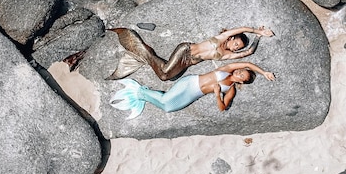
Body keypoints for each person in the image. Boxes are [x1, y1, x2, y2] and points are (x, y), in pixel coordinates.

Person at [109, 61, 275, 119]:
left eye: (242, 76)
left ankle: (143, 95)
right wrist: (263, 72)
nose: (239, 73)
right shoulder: (227, 69)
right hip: (190, 83)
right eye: (241, 71)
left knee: (168, 107)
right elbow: (247, 64)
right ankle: (140, 92)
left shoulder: (230, 90)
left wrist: (218, 95)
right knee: (166, 99)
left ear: (242, 82)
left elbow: (222, 108)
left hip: (194, 94)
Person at [106, 25, 274, 81]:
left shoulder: (226, 55)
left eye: (238, 47)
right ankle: (141, 47)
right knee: (164, 73)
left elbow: (248, 53)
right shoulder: (221, 38)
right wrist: (255, 30)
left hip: (188, 62)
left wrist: (258, 38)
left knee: (166, 76)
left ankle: (146, 53)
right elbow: (241, 29)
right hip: (185, 51)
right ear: (231, 38)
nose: (236, 47)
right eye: (236, 43)